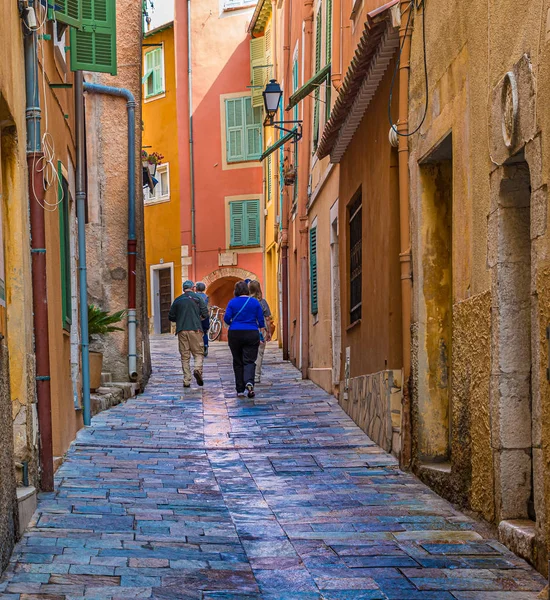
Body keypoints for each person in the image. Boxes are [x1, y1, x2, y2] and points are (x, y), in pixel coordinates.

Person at [224, 280, 265, 398]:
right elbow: (261, 321)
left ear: (236, 291)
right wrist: (261, 334)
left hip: (235, 333)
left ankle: (240, 389)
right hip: (251, 332)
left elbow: (227, 318)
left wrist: (233, 322)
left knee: (237, 361)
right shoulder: (254, 302)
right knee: (250, 360)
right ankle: (249, 382)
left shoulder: (232, 302)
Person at [168, 280, 209, 388]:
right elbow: (205, 312)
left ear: (183, 289)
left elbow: (171, 316)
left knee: (185, 356)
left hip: (182, 330)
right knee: (198, 353)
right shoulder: (198, 298)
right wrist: (199, 318)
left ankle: (186, 380)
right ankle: (197, 369)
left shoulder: (178, 300)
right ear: (193, 288)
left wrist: (180, 318)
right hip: (196, 329)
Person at [248, 280, 272, 384]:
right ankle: (256, 376)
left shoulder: (247, 301)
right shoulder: (262, 302)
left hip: (248, 329)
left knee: (248, 353)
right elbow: (267, 318)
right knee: (259, 353)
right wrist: (269, 332)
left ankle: (248, 375)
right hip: (261, 330)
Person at [195, 282, 210, 357]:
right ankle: (206, 345)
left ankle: (198, 348)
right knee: (205, 332)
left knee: (197, 333)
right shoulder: (206, 297)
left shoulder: (194, 296)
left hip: (196, 316)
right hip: (205, 316)